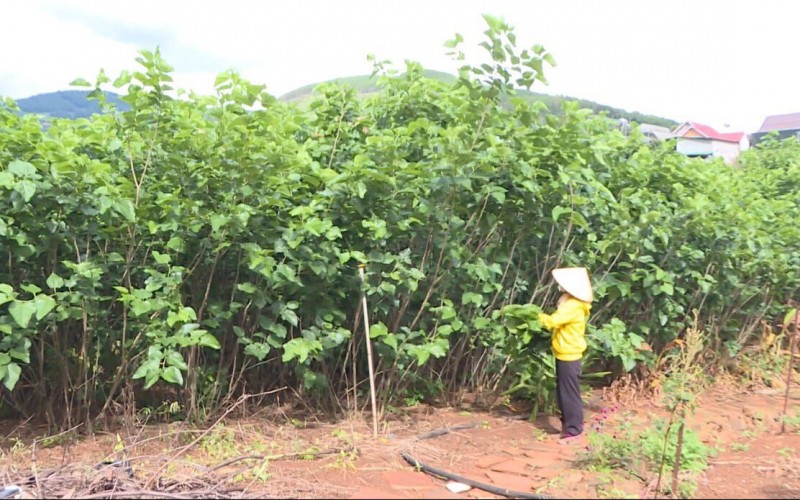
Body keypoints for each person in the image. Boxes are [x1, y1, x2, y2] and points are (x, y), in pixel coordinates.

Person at [538, 267, 593, 440]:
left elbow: (553, 321)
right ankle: (568, 426)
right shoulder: (572, 302)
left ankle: (573, 429)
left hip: (569, 354)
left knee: (568, 393)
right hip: (566, 353)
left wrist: (537, 317)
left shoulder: (573, 306)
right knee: (565, 392)